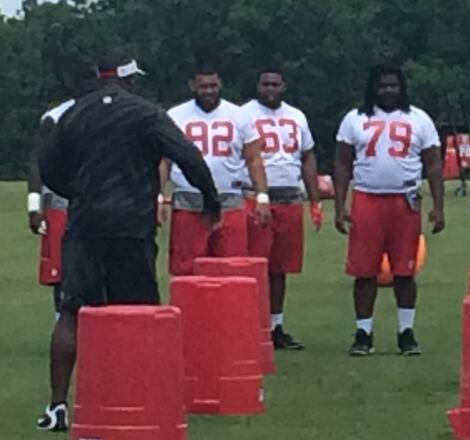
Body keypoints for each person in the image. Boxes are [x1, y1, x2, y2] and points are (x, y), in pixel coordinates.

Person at [36, 52, 221, 431]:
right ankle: (138, 398)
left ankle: (58, 405)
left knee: (72, 311)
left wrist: (78, 193)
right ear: (125, 79)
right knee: (139, 312)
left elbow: (49, 167)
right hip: (131, 226)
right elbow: (187, 156)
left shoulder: (74, 113)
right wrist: (211, 199)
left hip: (85, 223)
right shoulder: (146, 113)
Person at [334, 64, 445, 356]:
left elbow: (433, 163)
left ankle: (405, 332)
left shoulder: (419, 118)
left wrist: (438, 206)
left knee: (405, 272)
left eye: (393, 85)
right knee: (364, 272)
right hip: (367, 198)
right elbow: (343, 163)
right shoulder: (354, 119)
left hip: (405, 200)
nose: (388, 91)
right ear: (373, 87)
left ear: (402, 87)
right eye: (382, 85)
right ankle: (363, 332)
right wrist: (339, 205)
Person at [159, 66, 270, 277]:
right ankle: (190, 311)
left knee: (231, 270)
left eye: (213, 86)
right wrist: (157, 195)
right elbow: (164, 160)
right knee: (187, 271)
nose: (209, 91)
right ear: (192, 86)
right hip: (190, 202)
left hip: (229, 200)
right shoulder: (175, 115)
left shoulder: (239, 115)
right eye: (203, 86)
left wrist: (262, 196)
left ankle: (228, 311)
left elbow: (253, 158)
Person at [240, 68, 320, 350]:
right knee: (255, 267)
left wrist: (315, 199)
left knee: (280, 268)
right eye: (265, 84)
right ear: (257, 85)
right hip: (256, 198)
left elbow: (308, 155)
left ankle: (275, 326)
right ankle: (252, 325)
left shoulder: (297, 116)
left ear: (283, 86)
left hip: (289, 197)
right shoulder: (243, 114)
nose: (270, 89)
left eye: (275, 84)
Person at [27, 62, 99, 320]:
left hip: (99, 202)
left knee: (98, 265)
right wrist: (34, 206)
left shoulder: (107, 113)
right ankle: (63, 321)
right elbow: (37, 162)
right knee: (60, 269)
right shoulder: (54, 118)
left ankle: (95, 322)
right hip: (61, 202)